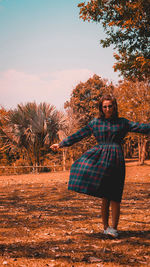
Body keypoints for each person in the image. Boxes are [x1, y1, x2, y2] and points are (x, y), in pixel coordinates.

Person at [50, 95, 150, 238]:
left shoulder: (122, 123)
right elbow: (80, 134)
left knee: (115, 195)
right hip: (101, 158)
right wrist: (61, 144)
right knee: (105, 195)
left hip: (116, 159)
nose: (107, 109)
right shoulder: (95, 123)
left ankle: (114, 229)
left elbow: (142, 127)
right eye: (104, 106)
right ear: (101, 108)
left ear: (114, 107)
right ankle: (105, 227)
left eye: (110, 106)